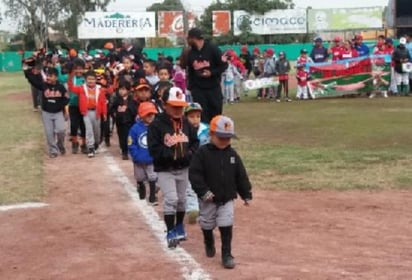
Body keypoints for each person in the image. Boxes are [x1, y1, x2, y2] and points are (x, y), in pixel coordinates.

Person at [189, 115, 252, 269]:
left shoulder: (232, 155)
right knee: (207, 224)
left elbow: (240, 175)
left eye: (228, 138)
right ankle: (208, 240)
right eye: (221, 137)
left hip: (226, 198)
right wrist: (203, 191)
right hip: (208, 199)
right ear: (211, 135)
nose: (224, 141)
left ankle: (226, 254)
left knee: (226, 224)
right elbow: (195, 175)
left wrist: (246, 193)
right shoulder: (202, 153)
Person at [147, 86, 199, 249]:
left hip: (183, 168)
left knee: (182, 200)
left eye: (180, 107)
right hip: (165, 169)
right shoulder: (157, 125)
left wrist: (189, 153)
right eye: (174, 106)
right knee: (171, 199)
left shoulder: (186, 124)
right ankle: (170, 231)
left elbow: (195, 142)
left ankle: (178, 226)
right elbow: (153, 148)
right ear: (165, 105)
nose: (178, 110)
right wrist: (171, 155)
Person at [24, 67, 69, 158]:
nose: (48, 77)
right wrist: (27, 70)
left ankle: (60, 144)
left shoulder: (61, 87)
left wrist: (62, 108)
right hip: (46, 113)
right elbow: (33, 81)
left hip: (58, 113)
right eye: (47, 75)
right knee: (49, 132)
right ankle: (53, 150)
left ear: (56, 77)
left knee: (61, 130)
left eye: (51, 76)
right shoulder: (44, 85)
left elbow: (66, 99)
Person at [186, 27, 228, 123]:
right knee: (201, 117)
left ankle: (214, 136)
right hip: (198, 90)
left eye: (189, 38)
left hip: (213, 88)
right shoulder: (190, 53)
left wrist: (212, 73)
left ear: (194, 38)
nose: (188, 41)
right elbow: (190, 71)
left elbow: (224, 66)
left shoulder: (213, 49)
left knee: (216, 116)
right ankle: (204, 137)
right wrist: (191, 88)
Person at [68, 70, 112, 157]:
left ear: (96, 80)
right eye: (89, 79)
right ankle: (90, 147)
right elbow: (71, 88)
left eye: (92, 79)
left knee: (97, 131)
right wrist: (71, 76)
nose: (90, 81)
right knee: (89, 130)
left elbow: (104, 102)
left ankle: (96, 143)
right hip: (86, 112)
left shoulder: (100, 89)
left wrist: (104, 113)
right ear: (85, 79)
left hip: (96, 113)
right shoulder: (81, 88)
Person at [128, 101, 159, 205]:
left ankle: (152, 196)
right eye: (148, 114)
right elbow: (131, 143)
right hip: (139, 159)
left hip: (152, 159)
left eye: (152, 114)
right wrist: (135, 155)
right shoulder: (135, 129)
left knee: (153, 177)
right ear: (141, 115)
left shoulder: (156, 127)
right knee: (140, 177)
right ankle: (141, 186)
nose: (151, 116)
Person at [184, 102, 209, 224]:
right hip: (189, 164)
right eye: (191, 116)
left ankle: (203, 208)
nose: (195, 120)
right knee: (190, 187)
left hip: (204, 165)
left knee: (203, 186)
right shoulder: (182, 130)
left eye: (198, 116)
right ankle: (192, 209)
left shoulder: (207, 130)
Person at [111, 79, 137, 160]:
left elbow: (134, 110)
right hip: (120, 122)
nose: (122, 91)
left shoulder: (132, 100)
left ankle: (131, 150)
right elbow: (112, 109)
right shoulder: (117, 99)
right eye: (120, 89)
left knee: (130, 137)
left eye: (124, 89)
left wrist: (128, 109)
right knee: (122, 137)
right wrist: (115, 114)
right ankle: (124, 152)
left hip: (130, 122)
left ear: (128, 90)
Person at [67, 58, 87, 154]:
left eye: (80, 69)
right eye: (76, 69)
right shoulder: (72, 78)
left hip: (84, 106)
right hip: (73, 105)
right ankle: (75, 143)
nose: (78, 71)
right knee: (74, 125)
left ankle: (84, 143)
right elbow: (68, 82)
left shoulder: (86, 79)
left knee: (84, 125)